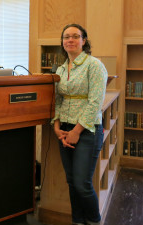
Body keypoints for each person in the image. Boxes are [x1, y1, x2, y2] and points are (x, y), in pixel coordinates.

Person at [51, 24, 107, 225]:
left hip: (87, 131)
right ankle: (77, 221)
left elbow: (95, 103)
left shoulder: (94, 65)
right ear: (62, 42)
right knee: (72, 183)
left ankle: (93, 221)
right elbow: (57, 99)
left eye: (75, 36)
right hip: (64, 129)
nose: (70, 40)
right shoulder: (61, 67)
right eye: (66, 37)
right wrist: (57, 127)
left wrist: (76, 131)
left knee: (82, 184)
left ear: (84, 40)